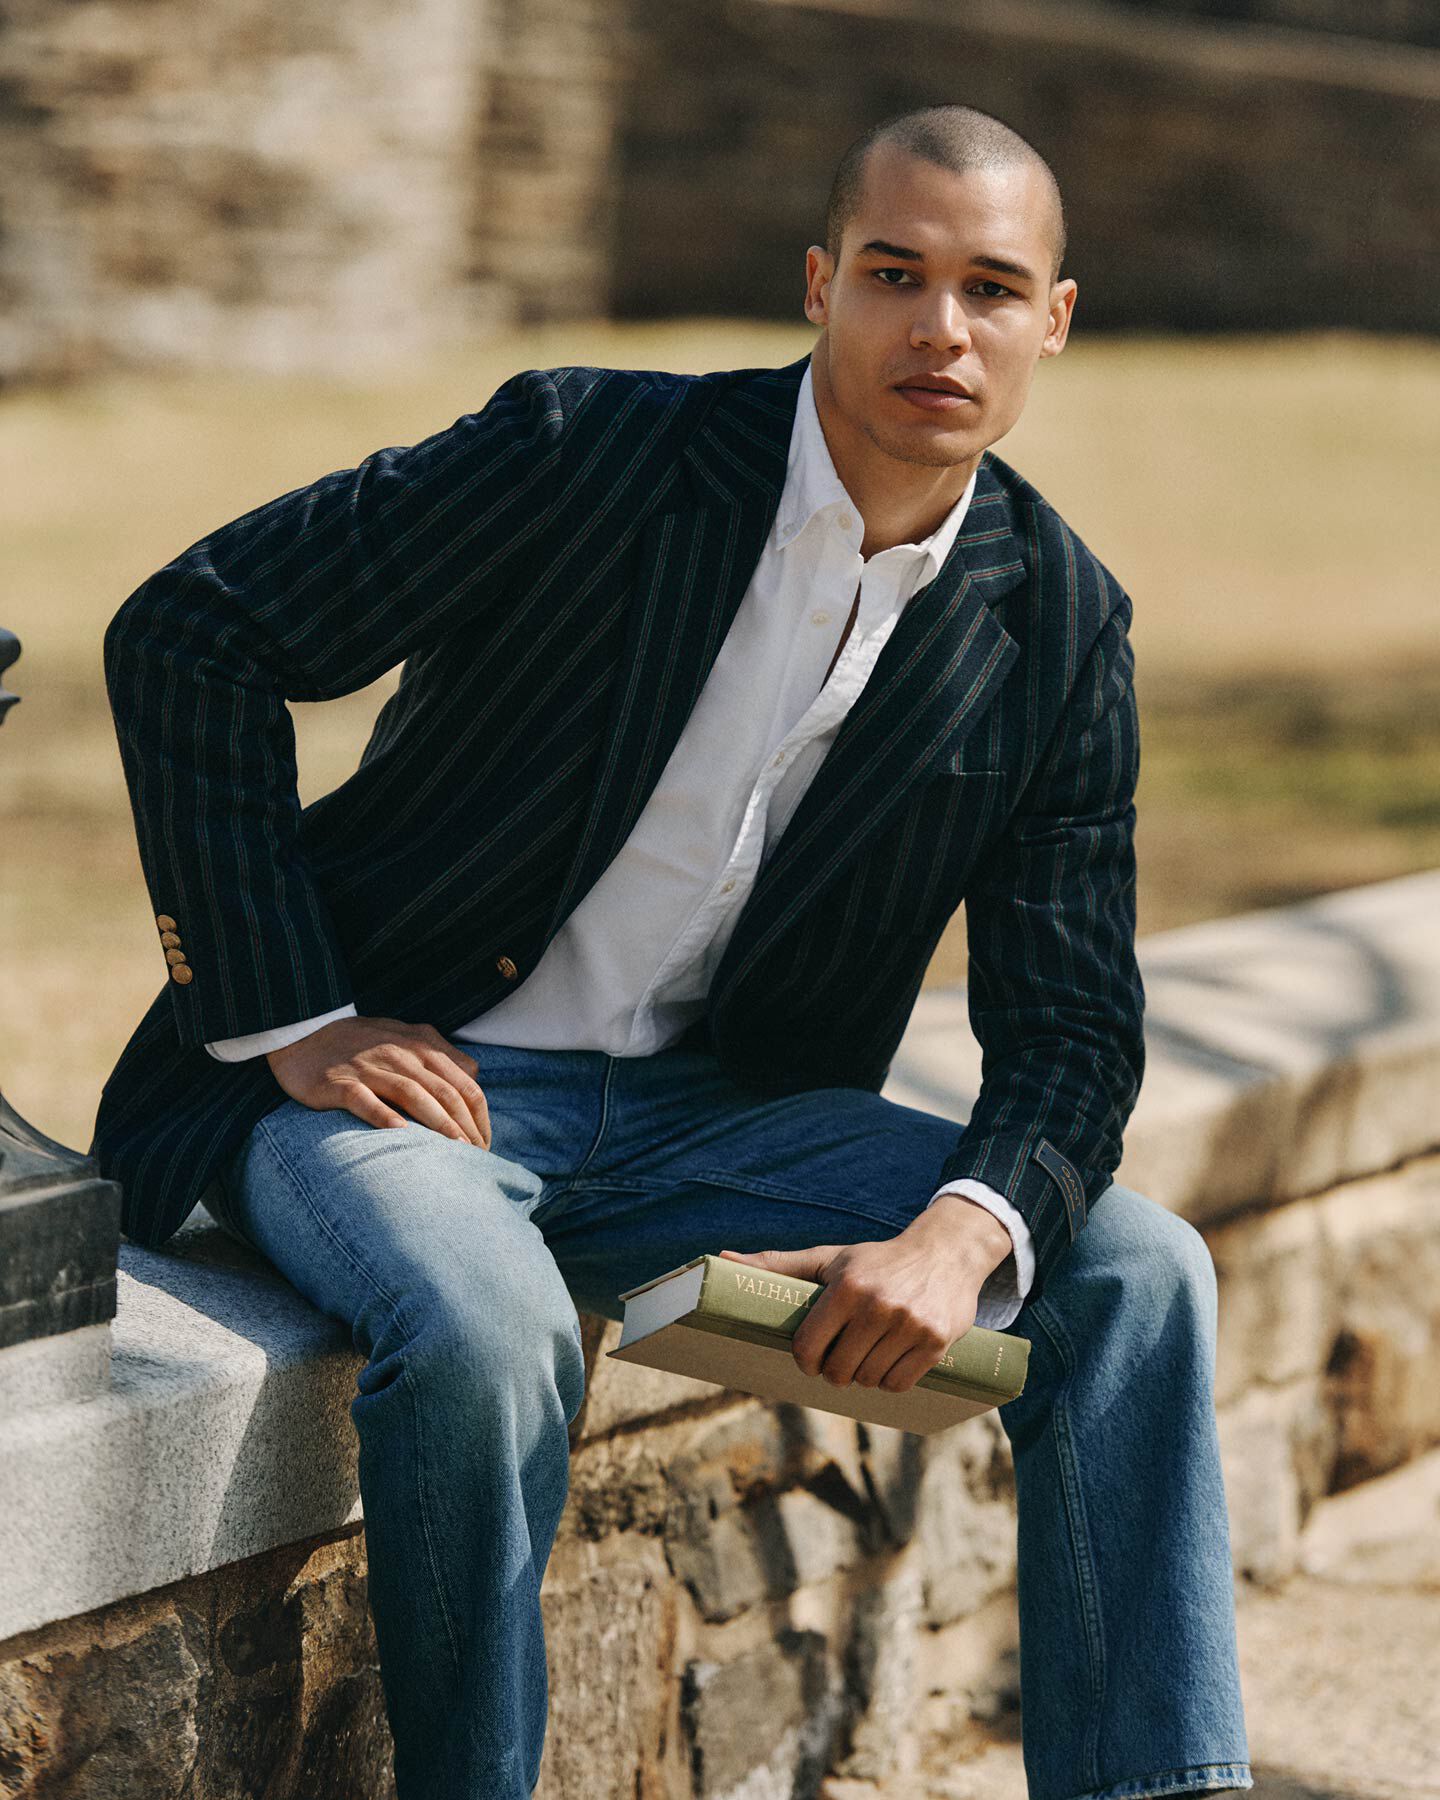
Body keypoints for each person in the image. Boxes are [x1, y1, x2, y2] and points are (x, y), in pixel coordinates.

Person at [93, 104, 1252, 1800]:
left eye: (993, 288)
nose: (942, 327)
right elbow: (194, 629)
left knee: (1144, 1275)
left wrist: (960, 1230)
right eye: (895, 274)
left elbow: (1072, 1022)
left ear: (1054, 321)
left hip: (725, 1128)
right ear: (818, 286)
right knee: (488, 1330)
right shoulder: (585, 453)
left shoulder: (1059, 626)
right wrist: (291, 1013)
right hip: (420, 1087)